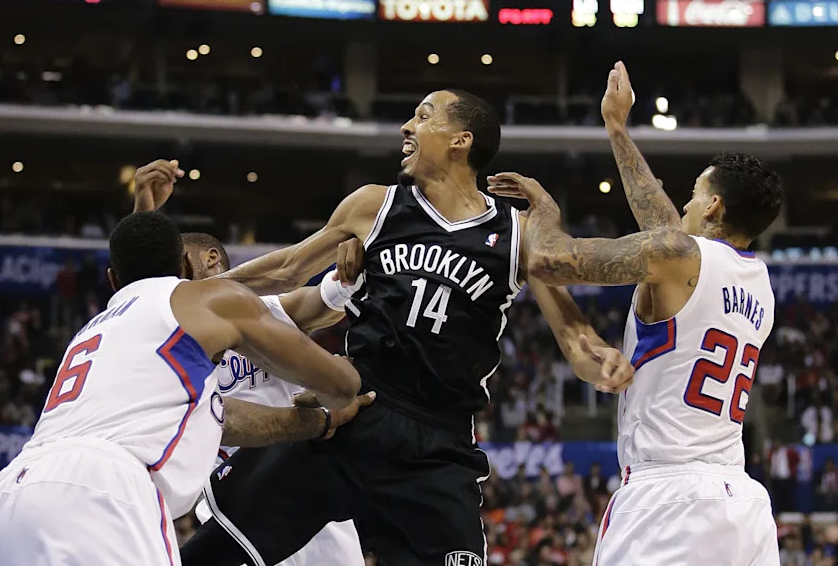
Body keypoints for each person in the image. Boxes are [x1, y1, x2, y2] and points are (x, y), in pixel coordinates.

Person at [180, 89, 634, 566]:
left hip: (438, 445)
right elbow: (287, 270)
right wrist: (181, 295)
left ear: (461, 139)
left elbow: (574, 341)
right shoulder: (375, 205)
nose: (406, 128)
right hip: (353, 412)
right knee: (212, 556)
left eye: (422, 116)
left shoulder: (518, 234)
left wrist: (598, 357)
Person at [487, 61, 784, 565]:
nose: (683, 207)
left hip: (668, 497)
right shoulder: (759, 284)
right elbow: (666, 226)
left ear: (712, 207)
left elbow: (548, 261)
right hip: (744, 505)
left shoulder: (679, 257)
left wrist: (543, 213)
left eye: (693, 196)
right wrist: (617, 130)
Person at [0, 211, 361, 566]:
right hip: (111, 485)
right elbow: (290, 272)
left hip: (8, 496)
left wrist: (349, 280)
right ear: (179, 267)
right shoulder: (201, 305)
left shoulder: (100, 329)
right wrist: (340, 394)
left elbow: (320, 300)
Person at [133, 161, 368, 566]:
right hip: (230, 499)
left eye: (180, 267)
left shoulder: (265, 310)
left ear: (210, 259)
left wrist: (352, 271)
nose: (173, 282)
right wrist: (143, 211)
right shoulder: (172, 334)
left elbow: (323, 302)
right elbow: (141, 293)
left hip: (300, 480)